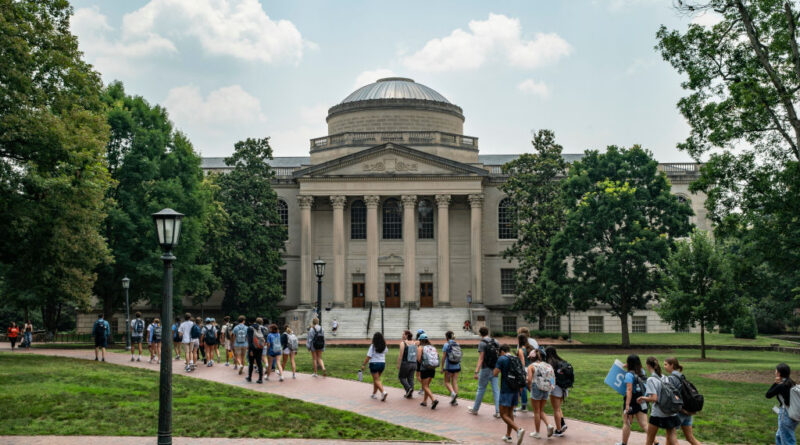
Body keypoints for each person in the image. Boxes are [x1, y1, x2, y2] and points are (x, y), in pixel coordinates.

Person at [637, 356, 680, 445]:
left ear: (648, 366)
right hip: (670, 411)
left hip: (658, 413)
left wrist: (643, 398)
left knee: (649, 440)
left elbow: (654, 398)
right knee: (673, 439)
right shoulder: (665, 377)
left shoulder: (651, 380)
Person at [663, 357, 701, 445]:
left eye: (666, 364)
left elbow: (671, 396)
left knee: (671, 437)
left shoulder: (671, 378)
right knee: (690, 438)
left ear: (672, 365)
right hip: (687, 410)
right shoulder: (681, 376)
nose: (664, 367)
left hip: (678, 412)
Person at [495, 344, 525, 444]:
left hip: (506, 389)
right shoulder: (516, 358)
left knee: (503, 414)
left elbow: (495, 373)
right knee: (510, 413)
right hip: (515, 389)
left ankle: (518, 430)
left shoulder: (502, 359)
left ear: (502, 351)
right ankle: (508, 436)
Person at [467, 326, 501, 418]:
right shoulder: (495, 341)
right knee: (496, 390)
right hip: (495, 368)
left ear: (480, 334)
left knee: (481, 389)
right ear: (488, 332)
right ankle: (498, 411)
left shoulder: (482, 343)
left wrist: (476, 371)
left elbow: (481, 358)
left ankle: (475, 409)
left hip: (485, 368)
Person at [767, 362, 798, 445]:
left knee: (787, 440)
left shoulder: (781, 385)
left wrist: (775, 383)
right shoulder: (792, 383)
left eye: (776, 371)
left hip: (786, 414)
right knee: (779, 436)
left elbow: (768, 395)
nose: (775, 372)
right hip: (794, 413)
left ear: (779, 373)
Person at [527, 346, 555, 439]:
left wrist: (528, 386)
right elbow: (552, 378)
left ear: (531, 358)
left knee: (536, 412)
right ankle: (549, 425)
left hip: (536, 388)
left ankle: (537, 432)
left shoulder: (531, 366)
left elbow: (529, 380)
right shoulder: (548, 365)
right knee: (541, 410)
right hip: (546, 388)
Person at [545, 346, 569, 437]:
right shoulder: (562, 361)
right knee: (558, 408)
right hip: (564, 388)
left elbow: (551, 377)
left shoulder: (550, 364)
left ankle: (558, 430)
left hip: (556, 389)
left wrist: (551, 387)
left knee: (556, 410)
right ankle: (562, 424)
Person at [361, 332, 388, 401]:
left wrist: (364, 364)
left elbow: (368, 356)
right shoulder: (384, 346)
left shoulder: (373, 346)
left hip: (374, 364)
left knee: (376, 380)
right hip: (382, 364)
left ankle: (383, 392)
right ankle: (374, 394)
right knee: (376, 379)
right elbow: (385, 352)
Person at [417, 333, 439, 409]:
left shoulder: (421, 347)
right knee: (427, 386)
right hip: (432, 368)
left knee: (424, 386)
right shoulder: (433, 347)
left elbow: (419, 359)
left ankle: (433, 400)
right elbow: (437, 356)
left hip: (425, 368)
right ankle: (424, 401)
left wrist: (423, 363)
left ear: (420, 340)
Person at [442, 330, 461, 405]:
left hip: (449, 367)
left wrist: (442, 367)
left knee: (446, 382)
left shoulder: (446, 345)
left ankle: (453, 393)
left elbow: (444, 357)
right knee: (455, 382)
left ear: (446, 337)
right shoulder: (457, 344)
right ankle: (455, 400)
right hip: (457, 366)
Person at [397, 330, 418, 397]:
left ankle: (409, 388)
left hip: (406, 363)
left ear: (406, 335)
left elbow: (401, 355)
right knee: (410, 378)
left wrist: (398, 364)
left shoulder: (403, 343)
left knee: (401, 377)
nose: (402, 335)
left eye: (403, 334)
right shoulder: (414, 343)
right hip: (414, 363)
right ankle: (409, 394)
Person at [246, 317, 267, 383]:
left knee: (251, 363)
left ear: (249, 322)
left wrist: (251, 350)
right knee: (259, 362)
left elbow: (250, 340)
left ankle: (249, 377)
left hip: (253, 348)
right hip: (260, 347)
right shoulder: (261, 327)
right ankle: (260, 379)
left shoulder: (250, 328)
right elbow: (263, 337)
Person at [516, 334, 530, 413]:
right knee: (530, 387)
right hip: (530, 368)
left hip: (524, 369)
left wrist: (520, 372)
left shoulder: (520, 350)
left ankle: (524, 406)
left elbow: (522, 362)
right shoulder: (529, 349)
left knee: (523, 387)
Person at [415, 329, 426, 395]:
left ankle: (425, 386)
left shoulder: (417, 342)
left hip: (419, 359)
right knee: (422, 376)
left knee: (418, 376)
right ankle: (423, 388)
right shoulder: (426, 342)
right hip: (425, 360)